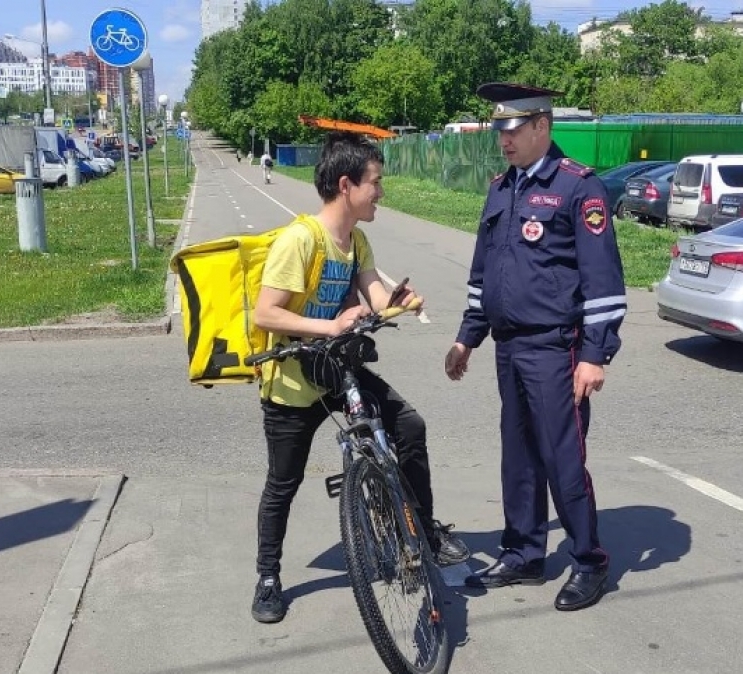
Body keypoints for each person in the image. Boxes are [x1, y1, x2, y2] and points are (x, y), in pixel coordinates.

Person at [251, 131, 470, 624]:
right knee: (282, 484)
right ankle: (268, 577)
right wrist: (329, 324)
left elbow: (372, 297)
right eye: (376, 182)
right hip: (291, 384)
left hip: (337, 369)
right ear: (346, 185)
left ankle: (425, 533)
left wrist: (395, 305)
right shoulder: (301, 239)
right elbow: (266, 314)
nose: (382, 192)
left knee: (409, 427)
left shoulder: (357, 241)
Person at [444, 83, 626, 612]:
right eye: (500, 130)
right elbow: (484, 276)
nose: (504, 140)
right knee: (518, 459)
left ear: (542, 127)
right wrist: (466, 338)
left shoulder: (579, 189)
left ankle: (588, 560)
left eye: (513, 130)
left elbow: (604, 284)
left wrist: (595, 354)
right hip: (509, 347)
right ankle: (524, 553)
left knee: (561, 459)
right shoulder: (502, 187)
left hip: (556, 349)